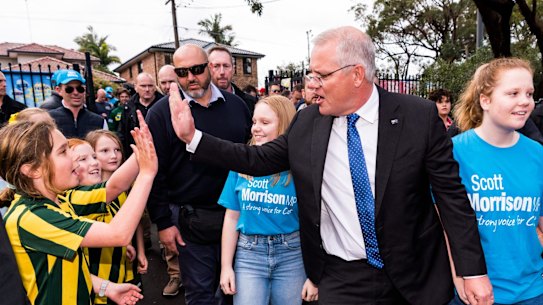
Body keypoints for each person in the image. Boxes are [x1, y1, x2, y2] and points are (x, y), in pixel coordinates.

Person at [168, 26, 493, 305]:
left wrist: (472, 270)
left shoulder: (418, 117)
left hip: (415, 274)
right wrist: (193, 137)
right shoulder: (308, 121)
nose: (312, 84)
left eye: (321, 75)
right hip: (341, 277)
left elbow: (452, 199)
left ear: (356, 75)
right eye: (311, 74)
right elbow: (257, 159)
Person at [0, 110, 156, 305]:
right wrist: (147, 173)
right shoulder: (32, 217)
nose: (74, 158)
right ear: (33, 169)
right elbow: (118, 234)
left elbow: (67, 269)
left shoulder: (61, 200)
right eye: (63, 151)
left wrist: (106, 287)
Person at [146, 43, 251, 305]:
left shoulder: (237, 107)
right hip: (190, 222)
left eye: (196, 69)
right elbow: (153, 171)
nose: (190, 77)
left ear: (208, 67)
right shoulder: (161, 113)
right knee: (201, 296)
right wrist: (163, 223)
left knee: (237, 291)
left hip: (239, 218)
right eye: (182, 72)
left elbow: (250, 159)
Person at [448, 57, 543, 305]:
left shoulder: (537, 154)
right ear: (485, 100)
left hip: (532, 291)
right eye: (513, 93)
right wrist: (461, 279)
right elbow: (444, 226)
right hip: (472, 293)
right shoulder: (453, 152)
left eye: (529, 93)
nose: (525, 101)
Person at [218, 95, 318, 305]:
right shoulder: (242, 162)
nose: (256, 128)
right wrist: (226, 266)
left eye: (265, 123)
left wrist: (314, 275)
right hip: (249, 255)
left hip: (292, 254)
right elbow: (231, 217)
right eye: (254, 122)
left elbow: (315, 221)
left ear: (284, 125)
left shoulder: (302, 167)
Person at [68, 137, 143, 305]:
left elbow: (113, 228)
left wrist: (124, 246)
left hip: (114, 282)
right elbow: (116, 186)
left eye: (94, 157)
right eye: (83, 159)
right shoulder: (74, 198)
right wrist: (145, 161)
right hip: (96, 291)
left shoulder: (102, 197)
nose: (94, 163)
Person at [86, 130, 149, 291]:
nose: (114, 156)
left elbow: (137, 224)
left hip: (127, 264)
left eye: (117, 150)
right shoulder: (85, 195)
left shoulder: (128, 188)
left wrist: (141, 252)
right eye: (105, 151)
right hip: (99, 270)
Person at [155, 64, 184, 297]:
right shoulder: (156, 111)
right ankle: (175, 276)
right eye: (163, 82)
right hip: (169, 192)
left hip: (190, 196)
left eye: (171, 81)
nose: (167, 86)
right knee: (172, 245)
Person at [48, 69, 107, 138]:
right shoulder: (49, 119)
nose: (76, 93)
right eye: (69, 89)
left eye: (80, 89)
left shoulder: (99, 121)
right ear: (58, 90)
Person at [119, 72, 163, 157]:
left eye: (150, 86)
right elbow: (123, 132)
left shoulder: (164, 105)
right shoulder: (128, 107)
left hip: (160, 153)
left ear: (154, 87)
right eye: (143, 86)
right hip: (135, 154)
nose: (147, 89)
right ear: (136, 87)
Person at [208, 46, 257, 115]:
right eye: (216, 66)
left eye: (226, 66)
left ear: (233, 69)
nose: (222, 72)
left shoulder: (250, 103)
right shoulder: (197, 104)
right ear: (208, 69)